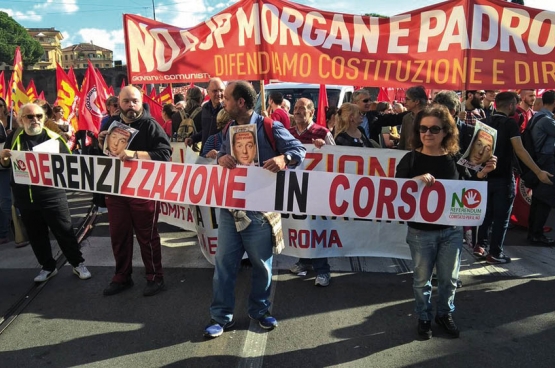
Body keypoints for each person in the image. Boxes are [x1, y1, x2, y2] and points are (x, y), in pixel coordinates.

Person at [205, 80, 305, 338]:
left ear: (240, 102)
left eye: (226, 98)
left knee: (262, 266)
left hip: (260, 212)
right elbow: (223, 155)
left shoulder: (270, 126)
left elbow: (299, 150)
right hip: (231, 210)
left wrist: (285, 158)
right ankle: (220, 317)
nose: (222, 102)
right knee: (224, 265)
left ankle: (259, 311)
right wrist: (221, 157)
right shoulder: (228, 127)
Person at [395, 105, 496, 339]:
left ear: (446, 132)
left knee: (450, 279)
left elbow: (469, 187)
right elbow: (396, 191)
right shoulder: (410, 160)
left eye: (434, 129)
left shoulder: (455, 158)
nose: (427, 133)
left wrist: (483, 172)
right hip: (421, 232)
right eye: (423, 128)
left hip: (451, 231)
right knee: (422, 281)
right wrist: (415, 181)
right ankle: (423, 316)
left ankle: (444, 313)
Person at [0, 103, 91, 282]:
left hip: (52, 195)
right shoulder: (15, 137)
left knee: (64, 231)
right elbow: (6, 164)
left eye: (39, 116)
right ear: (20, 119)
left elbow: (69, 165)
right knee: (36, 235)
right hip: (25, 198)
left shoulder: (55, 138)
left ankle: (77, 263)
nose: (35, 120)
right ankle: (48, 267)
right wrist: (2, 158)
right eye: (30, 117)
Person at [97, 86, 172, 297]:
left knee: (147, 236)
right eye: (127, 101)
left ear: (141, 102)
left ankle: (155, 277)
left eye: (135, 101)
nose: (131, 105)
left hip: (143, 189)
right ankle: (122, 277)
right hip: (116, 189)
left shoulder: (150, 125)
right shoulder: (112, 124)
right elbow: (105, 156)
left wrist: (136, 154)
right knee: (118, 236)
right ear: (118, 103)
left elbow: (165, 153)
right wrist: (102, 143)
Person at [474, 92, 552, 264]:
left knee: (486, 214)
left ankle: (480, 245)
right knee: (502, 217)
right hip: (504, 177)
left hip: (486, 176)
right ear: (510, 106)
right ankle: (495, 253)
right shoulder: (510, 123)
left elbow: (477, 151)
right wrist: (538, 171)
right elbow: (520, 150)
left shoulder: (484, 122)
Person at [288, 98, 334, 287]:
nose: (298, 111)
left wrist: (325, 147)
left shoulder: (323, 133)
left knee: (316, 229)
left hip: (316, 190)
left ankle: (323, 270)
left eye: (302, 108)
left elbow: (337, 156)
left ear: (312, 112)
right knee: (299, 225)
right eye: (296, 108)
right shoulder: (288, 133)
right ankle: (304, 262)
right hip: (294, 189)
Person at [527, 90, 555, 245]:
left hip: (539, 161)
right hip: (546, 162)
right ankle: (537, 234)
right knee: (544, 200)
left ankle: (534, 233)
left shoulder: (538, 116)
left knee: (539, 200)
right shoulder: (546, 119)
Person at [185, 78, 224, 151]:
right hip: (205, 154)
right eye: (215, 91)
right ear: (207, 92)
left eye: (221, 90)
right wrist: (193, 139)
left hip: (221, 156)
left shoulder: (228, 109)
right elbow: (205, 131)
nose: (219, 94)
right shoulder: (205, 108)